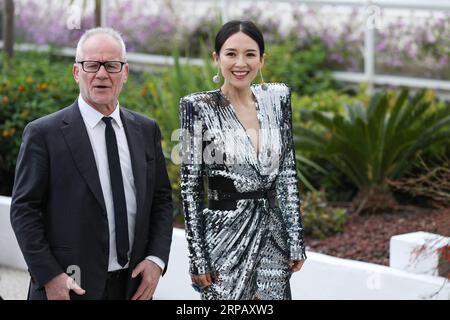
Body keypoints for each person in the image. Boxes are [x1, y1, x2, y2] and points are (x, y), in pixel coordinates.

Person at [10, 27, 173, 300]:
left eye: (111, 65)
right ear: (76, 72)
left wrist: (157, 259)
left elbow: (161, 200)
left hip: (132, 288)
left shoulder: (146, 130)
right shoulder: (43, 134)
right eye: (91, 65)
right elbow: (24, 210)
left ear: (125, 73)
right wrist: (49, 275)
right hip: (69, 288)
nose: (101, 74)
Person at [179, 20, 307, 300]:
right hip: (224, 241)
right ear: (217, 58)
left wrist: (296, 238)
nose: (241, 63)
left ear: (262, 59)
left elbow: (286, 172)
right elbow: (190, 188)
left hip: (274, 239)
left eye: (250, 54)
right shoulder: (198, 106)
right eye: (231, 53)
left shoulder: (278, 98)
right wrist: (198, 257)